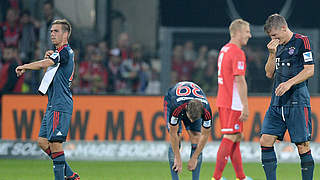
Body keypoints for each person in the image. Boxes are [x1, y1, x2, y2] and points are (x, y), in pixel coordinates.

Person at [15, 19, 80, 180]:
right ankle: (71, 175)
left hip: (60, 104)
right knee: (43, 142)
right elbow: (51, 71)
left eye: (56, 31)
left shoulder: (65, 52)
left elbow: (43, 64)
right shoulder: (59, 53)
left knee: (56, 144)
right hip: (52, 104)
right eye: (51, 31)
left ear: (65, 34)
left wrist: (25, 66)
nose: (52, 33)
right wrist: (51, 60)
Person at [261, 13, 315, 180]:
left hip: (297, 101)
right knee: (265, 140)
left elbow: (310, 70)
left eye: (275, 35)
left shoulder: (301, 41)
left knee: (302, 146)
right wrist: (271, 54)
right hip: (277, 102)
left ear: (283, 28)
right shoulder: (276, 46)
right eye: (271, 37)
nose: (274, 39)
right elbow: (269, 73)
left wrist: (289, 83)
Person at [212, 19, 252, 180]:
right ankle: (216, 177)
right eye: (247, 31)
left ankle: (241, 177)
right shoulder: (237, 52)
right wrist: (245, 105)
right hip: (233, 102)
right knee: (230, 137)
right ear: (236, 32)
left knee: (235, 137)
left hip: (223, 99)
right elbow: (240, 80)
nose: (249, 35)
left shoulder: (224, 49)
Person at [164, 81, 212, 180]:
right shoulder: (176, 106)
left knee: (196, 137)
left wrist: (195, 157)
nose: (191, 121)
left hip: (191, 98)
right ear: (186, 110)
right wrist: (177, 157)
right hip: (171, 99)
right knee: (177, 137)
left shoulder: (206, 109)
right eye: (190, 118)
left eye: (194, 120)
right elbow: (173, 134)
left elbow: (205, 135)